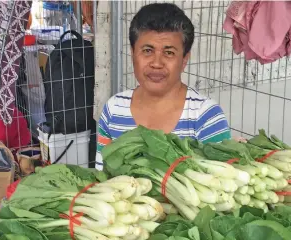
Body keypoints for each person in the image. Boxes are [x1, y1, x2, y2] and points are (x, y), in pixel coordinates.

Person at [96, 3, 231, 170]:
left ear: (184, 60)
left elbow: (220, 185)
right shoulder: (114, 109)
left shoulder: (206, 116)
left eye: (169, 53)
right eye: (147, 50)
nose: (157, 63)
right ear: (132, 54)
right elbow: (102, 176)